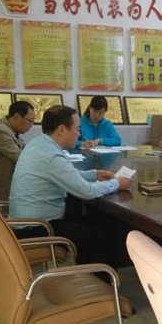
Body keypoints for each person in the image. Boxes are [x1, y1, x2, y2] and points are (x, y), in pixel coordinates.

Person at [9, 105, 132, 266]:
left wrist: (94, 174)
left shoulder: (38, 144)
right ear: (62, 130)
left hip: (25, 222)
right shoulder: (52, 156)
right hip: (37, 228)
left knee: (89, 215)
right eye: (77, 129)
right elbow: (87, 191)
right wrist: (116, 183)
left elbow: (67, 175)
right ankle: (96, 279)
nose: (79, 134)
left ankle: (87, 271)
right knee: (100, 236)